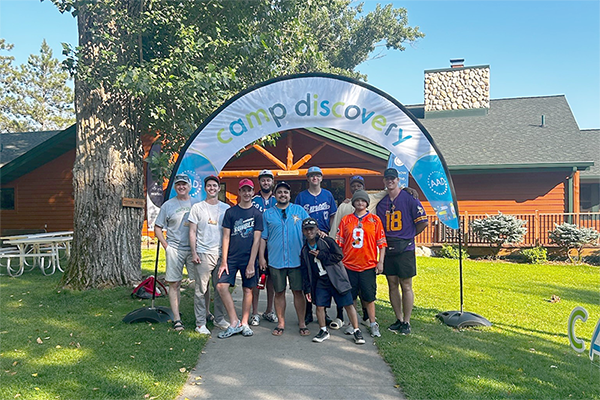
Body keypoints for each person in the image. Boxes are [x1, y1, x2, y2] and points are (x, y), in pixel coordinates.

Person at [376, 168, 428, 335]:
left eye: (393, 178)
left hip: (405, 247)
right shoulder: (381, 201)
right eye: (387, 179)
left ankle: (407, 321)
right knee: (392, 284)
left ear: (398, 180)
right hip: (388, 246)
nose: (390, 181)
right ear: (384, 181)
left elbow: (423, 222)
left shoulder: (409, 198)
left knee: (406, 284)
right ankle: (398, 319)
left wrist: (410, 235)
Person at [300, 217, 365, 345]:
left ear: (317, 229)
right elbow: (305, 270)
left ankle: (357, 330)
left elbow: (339, 256)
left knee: (347, 304)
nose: (309, 232)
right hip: (320, 280)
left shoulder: (327, 241)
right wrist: (307, 288)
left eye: (312, 229)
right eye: (306, 230)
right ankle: (323, 330)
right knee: (319, 306)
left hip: (335, 277)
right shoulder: (304, 250)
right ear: (303, 232)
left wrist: (321, 255)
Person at [259, 181, 310, 336]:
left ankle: (302, 322)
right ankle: (281, 323)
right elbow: (263, 238)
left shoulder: (299, 211)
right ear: (275, 195)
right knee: (279, 292)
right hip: (276, 260)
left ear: (289, 195)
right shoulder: (267, 214)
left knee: (297, 292)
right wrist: (262, 257)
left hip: (296, 259)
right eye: (279, 192)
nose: (283, 195)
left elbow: (310, 230)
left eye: (286, 192)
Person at [216, 179, 264, 339]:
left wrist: (252, 263)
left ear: (252, 192)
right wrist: (224, 261)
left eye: (249, 190)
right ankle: (234, 321)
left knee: (248, 289)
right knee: (221, 286)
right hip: (231, 257)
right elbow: (226, 237)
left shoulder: (257, 214)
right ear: (239, 192)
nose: (247, 193)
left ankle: (245, 323)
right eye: (243, 190)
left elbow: (257, 240)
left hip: (248, 258)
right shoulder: (231, 212)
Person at [337, 190, 387, 338]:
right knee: (350, 297)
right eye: (357, 200)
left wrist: (380, 262)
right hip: (349, 264)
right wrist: (339, 261)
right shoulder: (346, 220)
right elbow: (339, 242)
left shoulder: (374, 220)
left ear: (367, 203)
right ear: (353, 202)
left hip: (368, 264)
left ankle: (372, 323)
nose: (360, 203)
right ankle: (353, 325)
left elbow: (382, 243)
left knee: (369, 297)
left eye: (363, 201)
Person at [154, 174, 198, 331]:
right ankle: (177, 318)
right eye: (178, 184)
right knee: (174, 283)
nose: (181, 187)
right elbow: (157, 227)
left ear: (189, 186)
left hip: (194, 249)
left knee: (201, 283)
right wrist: (165, 245)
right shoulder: (168, 205)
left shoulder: (197, 203)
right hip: (175, 248)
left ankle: (204, 314)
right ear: (175, 187)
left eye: (184, 184)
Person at [295, 166, 338, 325]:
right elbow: (297, 218)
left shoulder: (327, 195)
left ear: (321, 178)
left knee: (323, 277)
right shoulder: (301, 196)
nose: (314, 178)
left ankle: (323, 311)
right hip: (307, 240)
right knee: (308, 276)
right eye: (311, 176)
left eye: (317, 175)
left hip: (323, 238)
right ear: (307, 178)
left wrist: (330, 235)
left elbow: (333, 215)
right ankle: (308, 312)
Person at [188, 175, 230, 335]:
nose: (212, 188)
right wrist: (194, 252)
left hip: (221, 254)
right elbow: (192, 231)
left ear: (219, 188)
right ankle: (200, 323)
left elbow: (228, 233)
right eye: (209, 186)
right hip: (203, 253)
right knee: (201, 289)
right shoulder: (197, 208)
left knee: (220, 288)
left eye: (215, 186)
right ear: (205, 189)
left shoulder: (226, 208)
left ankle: (219, 319)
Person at [250, 169, 278, 326]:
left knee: (271, 280)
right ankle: (254, 313)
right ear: (259, 182)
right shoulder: (254, 200)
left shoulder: (277, 200)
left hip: (273, 246)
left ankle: (269, 310)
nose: (266, 182)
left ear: (272, 182)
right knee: (256, 280)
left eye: (268, 180)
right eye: (263, 180)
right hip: (256, 244)